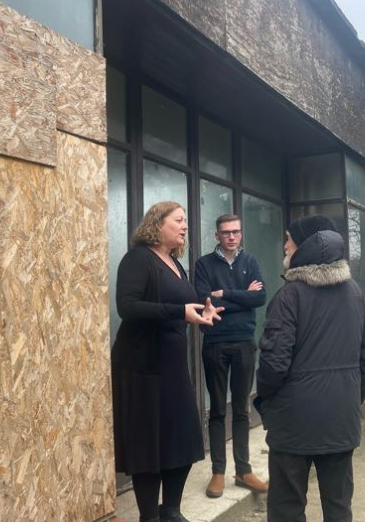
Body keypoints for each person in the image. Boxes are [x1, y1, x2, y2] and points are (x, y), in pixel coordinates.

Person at [254, 215, 365, 522]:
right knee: (339, 507)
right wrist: (349, 397)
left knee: (286, 507)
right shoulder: (355, 293)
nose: (284, 245)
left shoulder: (289, 296)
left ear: (304, 246)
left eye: (288, 239)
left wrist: (266, 402)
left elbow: (273, 363)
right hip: (340, 418)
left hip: (293, 422)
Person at [112, 201, 224, 522]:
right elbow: (128, 307)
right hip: (141, 368)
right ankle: (150, 516)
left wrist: (200, 312)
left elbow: (181, 303)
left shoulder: (175, 261)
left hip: (173, 366)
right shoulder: (138, 259)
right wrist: (178, 312)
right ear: (157, 224)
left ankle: (171, 510)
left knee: (182, 438)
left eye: (186, 220)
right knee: (149, 446)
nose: (185, 226)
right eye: (179, 220)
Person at [194, 214, 269, 498]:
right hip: (214, 342)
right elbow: (204, 300)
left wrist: (224, 292)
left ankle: (243, 471)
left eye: (236, 232)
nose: (231, 237)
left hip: (244, 344)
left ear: (241, 234)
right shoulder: (204, 264)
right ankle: (218, 472)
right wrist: (241, 296)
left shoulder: (250, 262)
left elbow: (260, 298)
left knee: (240, 409)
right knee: (218, 410)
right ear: (217, 235)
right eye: (226, 233)